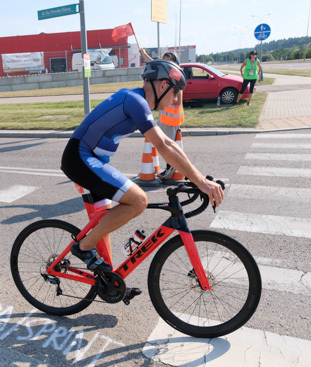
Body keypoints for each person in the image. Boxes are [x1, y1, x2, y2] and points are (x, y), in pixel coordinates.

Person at [61, 59, 224, 274]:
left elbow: (169, 145)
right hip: (79, 158)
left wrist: (195, 178)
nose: (176, 100)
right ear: (163, 85)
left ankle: (107, 278)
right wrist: (201, 182)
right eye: (175, 92)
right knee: (138, 200)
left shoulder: (136, 101)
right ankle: (83, 248)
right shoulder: (134, 101)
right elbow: (165, 144)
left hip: (90, 159)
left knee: (104, 223)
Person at [139, 49, 185, 179]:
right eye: (164, 61)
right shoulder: (168, 76)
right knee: (165, 144)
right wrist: (144, 54)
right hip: (165, 117)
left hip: (172, 119)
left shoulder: (176, 77)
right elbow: (154, 63)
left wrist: (166, 99)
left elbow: (178, 101)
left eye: (168, 61)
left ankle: (170, 170)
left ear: (175, 63)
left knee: (168, 146)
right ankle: (170, 168)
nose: (166, 64)